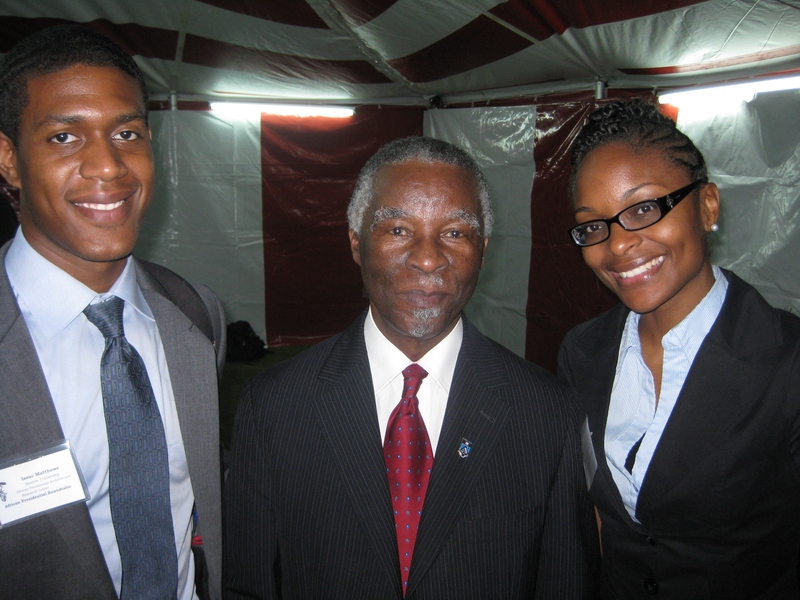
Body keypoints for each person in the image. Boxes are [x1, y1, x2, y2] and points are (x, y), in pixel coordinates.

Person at [225, 136, 598, 599]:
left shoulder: (547, 414)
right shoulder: (275, 406)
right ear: (356, 243)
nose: (427, 258)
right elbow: (250, 584)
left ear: (482, 249)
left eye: (455, 233)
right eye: (398, 229)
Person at [0, 26, 225, 599]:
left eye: (127, 133)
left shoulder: (195, 315)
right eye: (64, 138)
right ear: (8, 160)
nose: (108, 166)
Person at [558, 100, 800, 598]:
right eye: (593, 225)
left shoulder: (786, 360)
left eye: (644, 208)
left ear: (707, 205)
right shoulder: (583, 353)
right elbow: (601, 514)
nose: (617, 245)